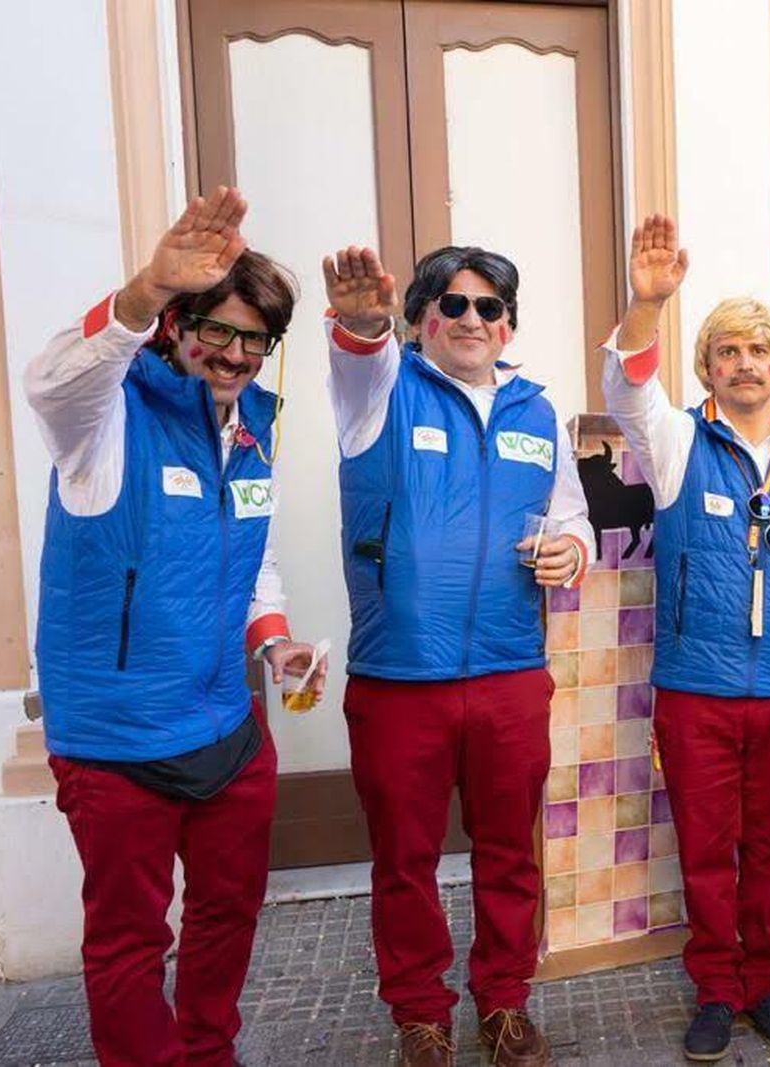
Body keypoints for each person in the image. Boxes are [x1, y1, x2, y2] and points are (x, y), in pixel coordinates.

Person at [24, 187, 324, 1067]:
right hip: (117, 739)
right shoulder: (105, 415)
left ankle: (208, 1051)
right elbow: (49, 379)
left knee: (228, 911)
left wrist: (274, 638)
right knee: (129, 939)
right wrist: (144, 288)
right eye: (216, 330)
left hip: (226, 726)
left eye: (255, 340)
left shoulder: (253, 429)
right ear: (177, 326)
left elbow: (249, 555)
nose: (234, 355)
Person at [321, 242, 593, 1067]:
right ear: (421, 319)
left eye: (490, 307)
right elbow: (359, 357)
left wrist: (573, 550)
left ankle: (504, 1001)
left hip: (509, 673)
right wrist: (360, 323)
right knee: (405, 859)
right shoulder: (381, 393)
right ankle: (420, 1014)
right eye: (454, 303)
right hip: (401, 676)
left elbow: (571, 516)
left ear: (508, 326)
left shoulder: (538, 414)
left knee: (509, 852)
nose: (473, 319)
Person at [598, 215, 770, 1061]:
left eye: (759, 351)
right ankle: (716, 987)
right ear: (707, 367)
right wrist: (647, 305)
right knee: (708, 848)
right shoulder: (677, 440)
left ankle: (764, 982)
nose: (745, 364)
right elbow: (626, 391)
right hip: (696, 690)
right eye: (727, 352)